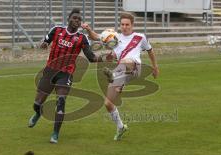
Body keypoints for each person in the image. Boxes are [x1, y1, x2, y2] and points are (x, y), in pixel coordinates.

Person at [28, 8, 104, 144]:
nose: (77, 20)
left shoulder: (82, 38)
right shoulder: (56, 30)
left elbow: (91, 58)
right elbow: (45, 41)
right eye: (74, 18)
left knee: (61, 102)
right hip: (50, 70)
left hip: (65, 73)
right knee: (37, 103)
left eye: (79, 19)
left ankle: (55, 134)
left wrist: (105, 58)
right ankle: (38, 112)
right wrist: (43, 44)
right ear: (68, 19)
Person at [82, 12, 159, 140]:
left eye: (127, 24)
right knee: (107, 103)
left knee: (127, 61)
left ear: (132, 25)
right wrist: (89, 30)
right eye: (122, 24)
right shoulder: (114, 37)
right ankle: (121, 126)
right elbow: (95, 36)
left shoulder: (140, 37)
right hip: (119, 72)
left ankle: (116, 79)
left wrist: (155, 67)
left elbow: (150, 51)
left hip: (134, 67)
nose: (124, 27)